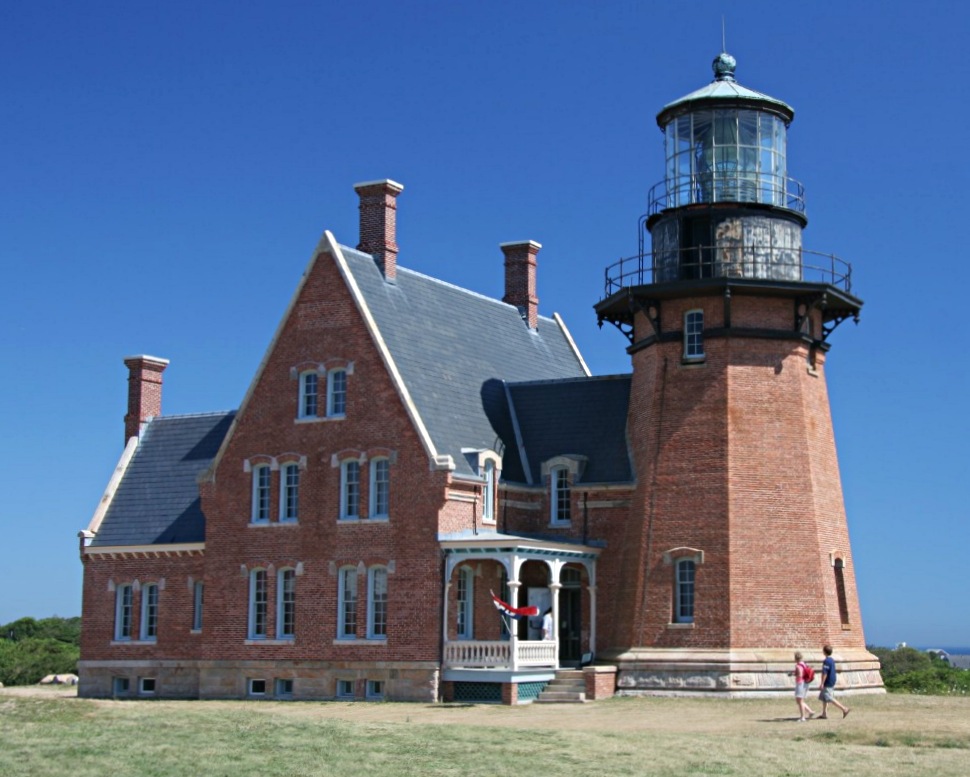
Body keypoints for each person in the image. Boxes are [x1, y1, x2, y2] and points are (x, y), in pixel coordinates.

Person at [818, 644, 850, 719]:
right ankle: (824, 714)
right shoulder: (831, 660)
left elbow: (825, 673)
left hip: (828, 681)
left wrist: (822, 683)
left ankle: (844, 709)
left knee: (829, 697)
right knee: (824, 698)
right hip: (832, 679)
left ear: (824, 652)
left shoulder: (826, 661)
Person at [794, 651, 815, 721]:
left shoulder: (798, 666)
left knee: (800, 701)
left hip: (800, 683)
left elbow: (800, 674)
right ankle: (810, 711)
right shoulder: (804, 664)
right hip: (806, 683)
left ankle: (802, 717)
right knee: (799, 700)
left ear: (796, 658)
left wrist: (795, 674)